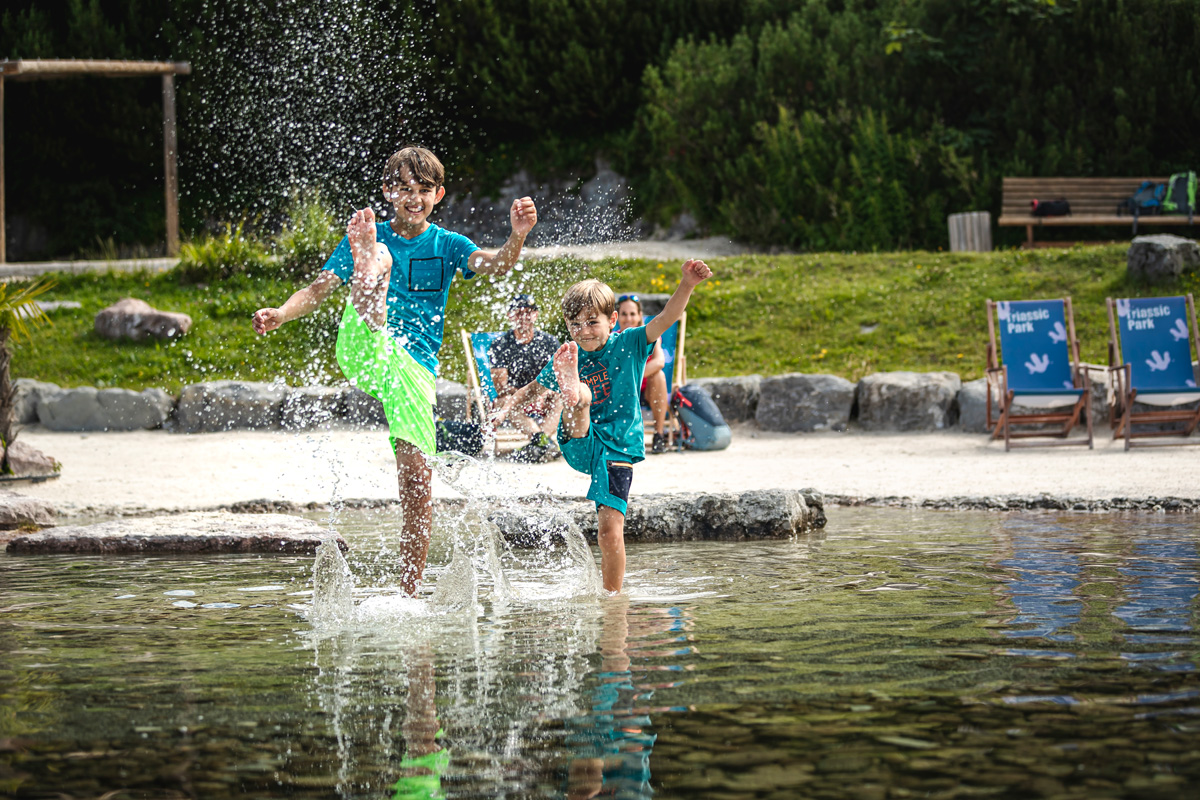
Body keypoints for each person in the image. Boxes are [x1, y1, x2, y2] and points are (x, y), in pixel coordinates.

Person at [252, 145, 538, 596]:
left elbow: (497, 264)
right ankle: (372, 275)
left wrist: (517, 235)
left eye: (423, 190)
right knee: (381, 254)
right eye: (404, 188)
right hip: (364, 345)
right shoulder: (372, 234)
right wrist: (282, 314)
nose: (414, 197)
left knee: (418, 481)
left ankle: (410, 592)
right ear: (387, 192)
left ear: (438, 194)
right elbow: (316, 290)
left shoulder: (448, 245)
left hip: (413, 373)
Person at [491, 260, 712, 592]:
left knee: (609, 532)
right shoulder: (571, 351)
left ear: (612, 320)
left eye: (592, 323)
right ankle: (574, 391)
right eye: (575, 325)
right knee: (579, 398)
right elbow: (532, 390)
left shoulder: (632, 343)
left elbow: (667, 317)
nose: (583, 331)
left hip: (618, 448)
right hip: (579, 441)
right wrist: (504, 407)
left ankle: (612, 598)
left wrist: (687, 284)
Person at [489, 293, 562, 462]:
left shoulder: (549, 342)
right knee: (503, 402)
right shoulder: (500, 344)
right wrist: (529, 395)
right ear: (510, 316)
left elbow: (557, 377)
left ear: (535, 315)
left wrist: (543, 393)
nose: (524, 317)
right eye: (519, 312)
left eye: (528, 312)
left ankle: (539, 444)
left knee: (560, 398)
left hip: (543, 396)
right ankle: (543, 442)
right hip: (516, 400)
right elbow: (501, 387)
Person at [616, 294, 669, 455]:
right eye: (624, 314)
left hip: (645, 389)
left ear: (640, 316)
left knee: (659, 376)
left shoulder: (650, 336)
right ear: (617, 316)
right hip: (621, 390)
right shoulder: (614, 338)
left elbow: (660, 361)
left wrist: (633, 375)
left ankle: (659, 435)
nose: (628, 318)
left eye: (632, 314)